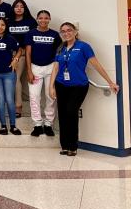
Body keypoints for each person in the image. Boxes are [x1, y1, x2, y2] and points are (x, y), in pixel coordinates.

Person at [50, 22, 119, 156]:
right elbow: (56, 67)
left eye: (69, 30)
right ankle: (64, 146)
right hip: (61, 84)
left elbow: (96, 65)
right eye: (63, 31)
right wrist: (51, 86)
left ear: (75, 32)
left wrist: (110, 82)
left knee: (71, 111)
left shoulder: (84, 47)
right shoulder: (60, 48)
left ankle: (73, 146)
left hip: (78, 86)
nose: (66, 33)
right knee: (63, 114)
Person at [25, 10, 61, 137]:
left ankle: (48, 124)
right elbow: (28, 53)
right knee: (34, 96)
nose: (43, 20)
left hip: (51, 67)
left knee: (50, 96)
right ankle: (37, 124)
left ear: (49, 19)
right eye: (41, 18)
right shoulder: (31, 33)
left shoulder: (55, 34)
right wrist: (29, 71)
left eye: (46, 18)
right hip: (35, 67)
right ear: (37, 19)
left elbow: (58, 53)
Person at [0, 18, 22, 135]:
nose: (0, 27)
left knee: (9, 99)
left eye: (2, 25)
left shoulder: (9, 38)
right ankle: (3, 126)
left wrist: (16, 59)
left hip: (8, 73)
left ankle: (13, 126)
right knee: (1, 99)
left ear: (6, 27)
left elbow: (19, 50)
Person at [8, 0, 37, 117]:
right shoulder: (8, 22)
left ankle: (18, 106)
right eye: (16, 6)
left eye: (21, 6)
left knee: (15, 78)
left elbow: (35, 37)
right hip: (8, 53)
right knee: (9, 78)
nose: (19, 8)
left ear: (24, 8)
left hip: (23, 53)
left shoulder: (30, 22)